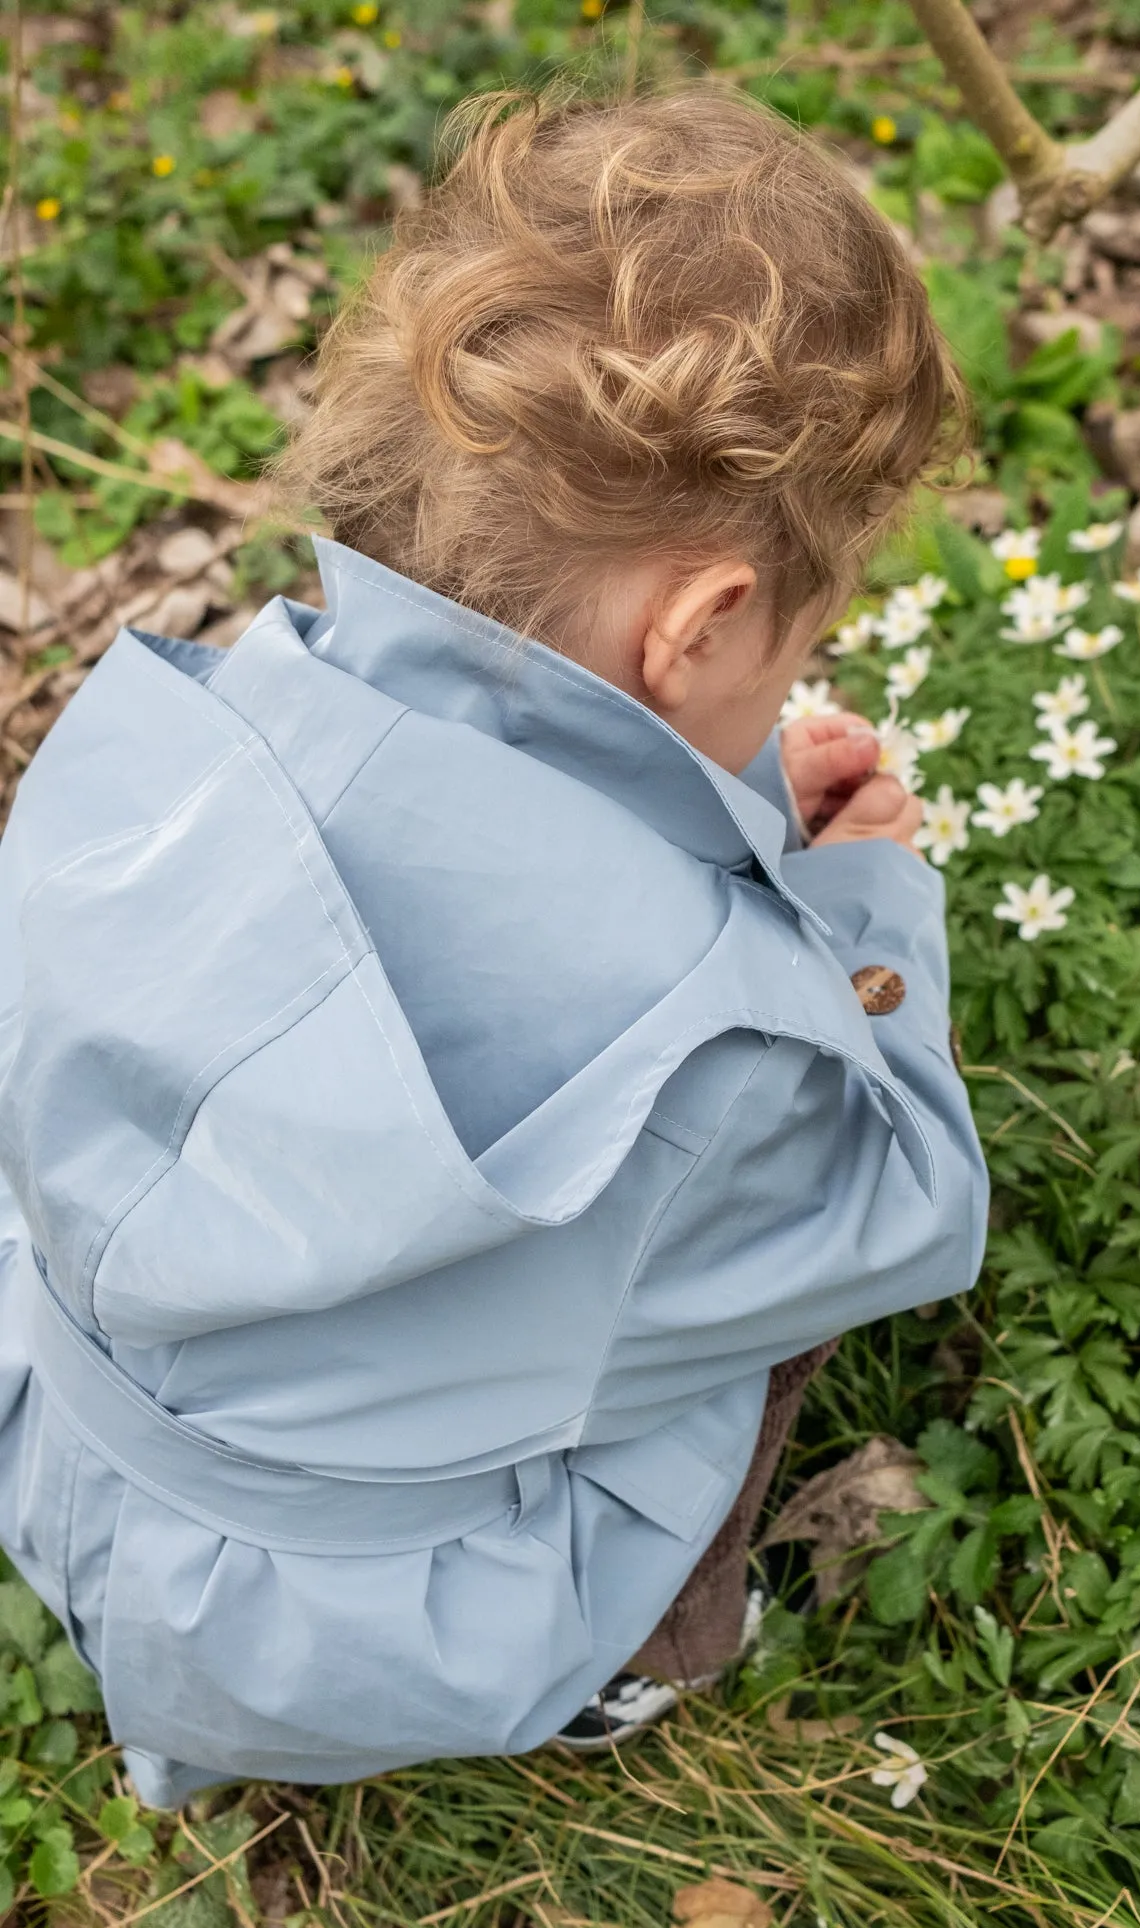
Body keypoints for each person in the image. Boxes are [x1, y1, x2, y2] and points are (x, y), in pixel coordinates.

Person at [0, 87, 987, 1805]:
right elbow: (904, 1219)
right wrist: (868, 913)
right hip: (336, 1637)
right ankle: (630, 1661)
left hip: (69, 1462)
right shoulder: (720, 1056)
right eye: (800, 643)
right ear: (703, 624)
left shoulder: (209, 717)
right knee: (749, 1302)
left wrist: (735, 780)